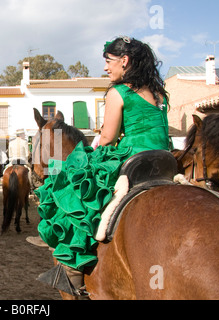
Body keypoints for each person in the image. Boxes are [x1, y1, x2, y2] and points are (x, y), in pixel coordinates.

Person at [35, 36, 171, 295]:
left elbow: (108, 138)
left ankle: (72, 273)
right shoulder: (158, 93)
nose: (106, 68)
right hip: (165, 160)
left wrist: (89, 152)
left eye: (108, 62)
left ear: (125, 61)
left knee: (73, 185)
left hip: (133, 158)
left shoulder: (118, 92)